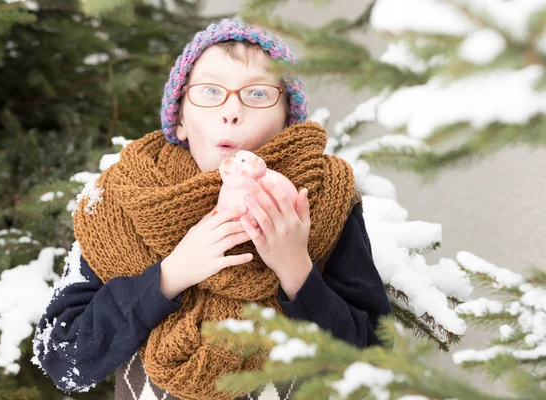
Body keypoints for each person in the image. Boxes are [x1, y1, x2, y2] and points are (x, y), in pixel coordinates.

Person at [32, 18, 392, 400]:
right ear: (180, 118)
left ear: (287, 118)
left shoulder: (324, 199)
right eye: (209, 91)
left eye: (256, 94)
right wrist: (170, 274)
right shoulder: (117, 204)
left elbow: (374, 366)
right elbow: (64, 360)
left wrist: (295, 268)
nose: (231, 111)